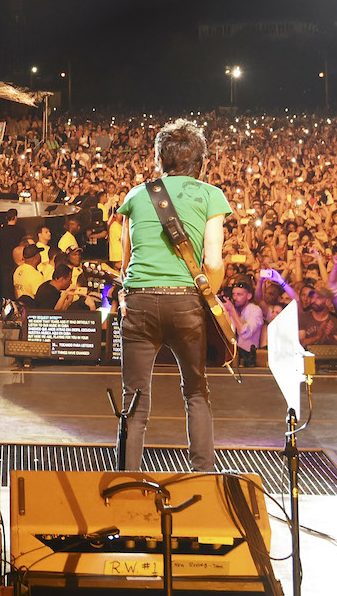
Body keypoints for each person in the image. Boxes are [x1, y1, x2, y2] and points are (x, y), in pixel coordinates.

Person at [115, 118, 230, 472]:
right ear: (201, 162)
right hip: (185, 302)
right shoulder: (211, 195)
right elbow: (213, 262)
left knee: (134, 399)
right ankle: (203, 476)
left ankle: (127, 483)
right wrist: (209, 297)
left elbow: (125, 260)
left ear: (159, 159)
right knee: (196, 392)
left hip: (140, 301)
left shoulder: (136, 195)